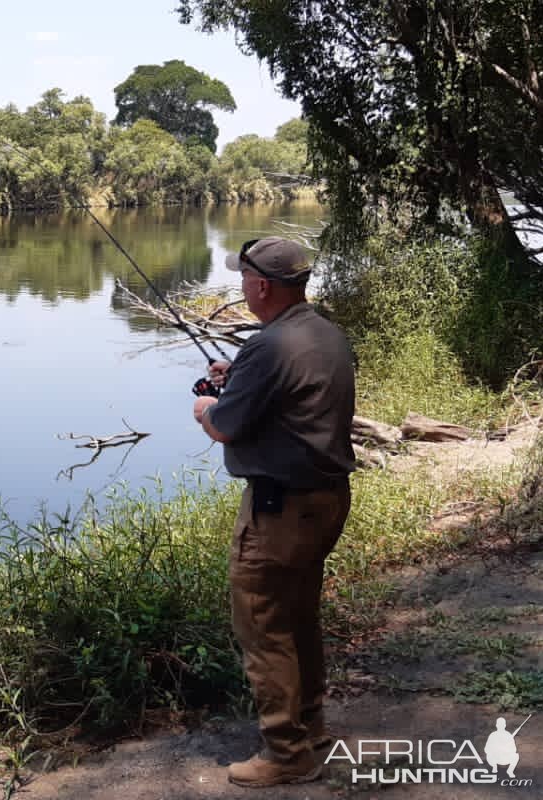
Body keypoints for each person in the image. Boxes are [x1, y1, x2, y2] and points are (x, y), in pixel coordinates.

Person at [192, 237, 356, 787]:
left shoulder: (268, 346)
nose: (241, 287)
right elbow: (289, 398)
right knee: (299, 616)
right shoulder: (325, 334)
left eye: (243, 279)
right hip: (326, 501)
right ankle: (312, 727)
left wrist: (206, 407)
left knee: (263, 623)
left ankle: (287, 752)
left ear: (262, 286)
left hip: (280, 509)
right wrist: (233, 378)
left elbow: (226, 426)